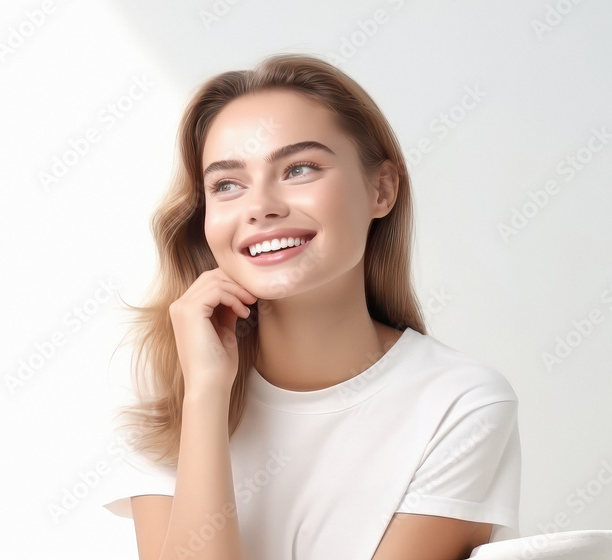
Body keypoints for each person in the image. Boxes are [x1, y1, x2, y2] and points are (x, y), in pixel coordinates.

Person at [97, 52, 521, 560]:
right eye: (227, 184)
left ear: (381, 189)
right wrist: (206, 396)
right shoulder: (174, 379)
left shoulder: (461, 403)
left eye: (299, 168)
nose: (260, 207)